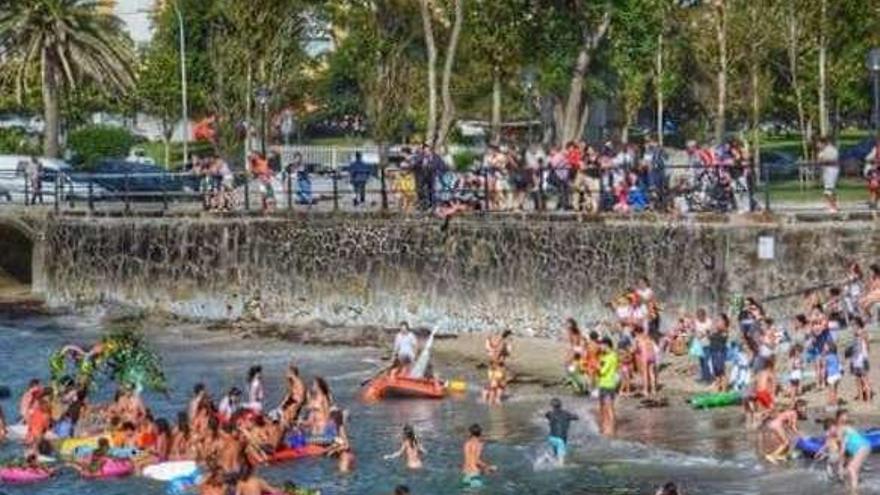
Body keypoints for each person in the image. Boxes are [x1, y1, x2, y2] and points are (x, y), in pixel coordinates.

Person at [835, 410, 871, 491]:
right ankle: (851, 486)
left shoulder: (844, 428)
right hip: (863, 447)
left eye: (847, 416)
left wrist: (840, 457)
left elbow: (844, 446)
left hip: (861, 447)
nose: (847, 417)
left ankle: (854, 491)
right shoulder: (843, 428)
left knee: (851, 469)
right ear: (838, 418)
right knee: (851, 469)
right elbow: (845, 448)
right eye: (845, 415)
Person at [545, 398, 578, 465]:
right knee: (561, 463)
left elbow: (547, 415)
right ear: (561, 405)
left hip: (551, 438)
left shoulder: (550, 414)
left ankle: (548, 460)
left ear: (552, 406)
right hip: (560, 440)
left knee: (556, 455)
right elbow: (576, 417)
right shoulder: (566, 414)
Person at [597, 337, 619, 436]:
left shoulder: (611, 356)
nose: (600, 347)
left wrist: (596, 366)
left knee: (609, 408)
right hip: (602, 384)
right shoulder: (605, 356)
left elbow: (602, 371)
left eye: (601, 345)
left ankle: (613, 429)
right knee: (602, 407)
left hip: (608, 385)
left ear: (606, 345)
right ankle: (603, 427)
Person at [461, 423, 495, 488]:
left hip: (466, 472)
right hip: (474, 473)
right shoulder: (479, 444)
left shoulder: (467, 444)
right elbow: (476, 460)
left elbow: (468, 460)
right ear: (480, 433)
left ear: (470, 433)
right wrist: (488, 467)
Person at [816, 136, 840, 213]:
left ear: (823, 143)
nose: (817, 145)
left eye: (818, 143)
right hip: (825, 170)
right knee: (828, 189)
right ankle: (831, 205)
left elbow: (832, 159)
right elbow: (819, 160)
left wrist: (823, 160)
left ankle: (833, 207)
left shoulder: (831, 150)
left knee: (829, 189)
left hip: (831, 170)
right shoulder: (821, 151)